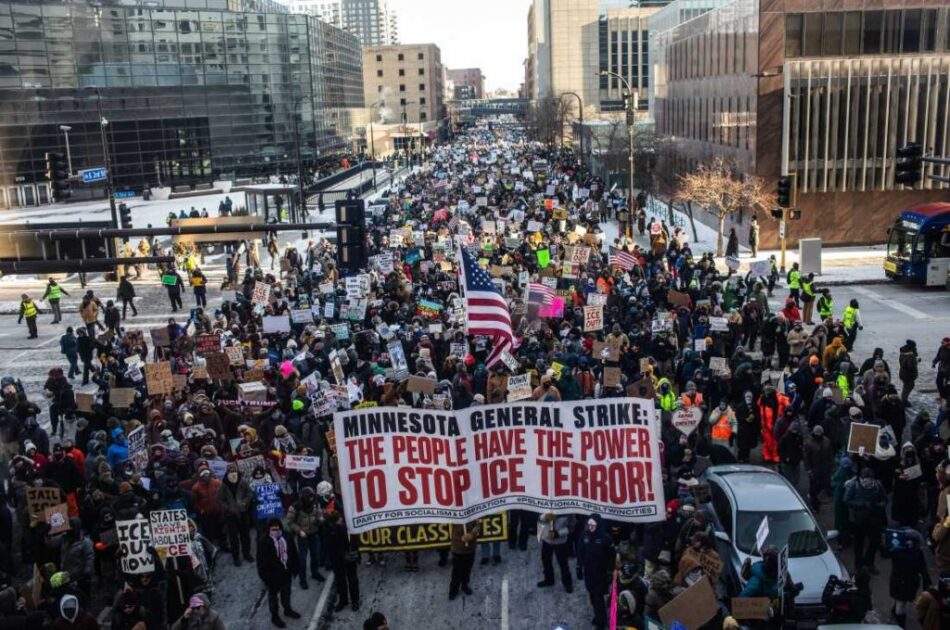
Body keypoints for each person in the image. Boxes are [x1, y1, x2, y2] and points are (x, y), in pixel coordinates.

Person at [256, 518, 302, 628]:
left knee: (286, 594)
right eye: (273, 529)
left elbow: (293, 552)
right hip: (272, 577)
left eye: (278, 528)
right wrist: (265, 579)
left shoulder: (287, 536)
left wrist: (295, 569)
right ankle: (275, 617)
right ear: (268, 529)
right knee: (273, 599)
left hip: (286, 573)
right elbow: (261, 563)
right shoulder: (263, 541)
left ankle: (287, 610)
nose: (276, 531)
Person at [844, 467, 886, 574]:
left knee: (875, 542)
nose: (866, 481)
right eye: (864, 478)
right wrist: (862, 505)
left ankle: (869, 562)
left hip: (873, 518)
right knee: (859, 544)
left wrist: (881, 505)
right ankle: (858, 565)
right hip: (858, 519)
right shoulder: (854, 485)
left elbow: (884, 499)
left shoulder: (878, 486)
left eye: (869, 479)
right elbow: (847, 500)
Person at [285, 486, 326, 589]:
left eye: (313, 496)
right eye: (309, 497)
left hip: (314, 534)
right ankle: (302, 579)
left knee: (315, 556)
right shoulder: (295, 507)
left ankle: (315, 572)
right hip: (302, 536)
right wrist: (299, 531)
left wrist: (320, 519)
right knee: (302, 560)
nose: (311, 499)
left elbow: (319, 516)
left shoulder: (316, 505)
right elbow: (289, 522)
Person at [578, 514, 614, 630]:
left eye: (593, 525)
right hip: (589, 573)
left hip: (601, 574)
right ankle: (598, 616)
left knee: (598, 598)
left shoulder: (606, 539)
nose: (591, 527)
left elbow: (611, 557)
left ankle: (601, 621)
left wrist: (609, 573)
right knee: (592, 596)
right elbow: (580, 552)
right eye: (589, 525)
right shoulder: (584, 536)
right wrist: (579, 567)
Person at [325, 510, 360, 611]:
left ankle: (355, 601)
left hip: (350, 557)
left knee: (352, 580)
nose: (340, 521)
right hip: (337, 559)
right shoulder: (329, 529)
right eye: (338, 520)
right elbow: (328, 544)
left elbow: (355, 540)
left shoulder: (350, 526)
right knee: (340, 581)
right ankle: (343, 600)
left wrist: (357, 554)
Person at [536, 512, 573, 593]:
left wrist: (558, 533)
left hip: (560, 542)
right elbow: (539, 519)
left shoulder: (568, 511)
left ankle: (567, 583)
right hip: (547, 540)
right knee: (546, 561)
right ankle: (549, 579)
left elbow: (571, 527)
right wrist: (545, 517)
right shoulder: (545, 506)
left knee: (563, 563)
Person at [448, 519, 481, 600]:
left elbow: (478, 526)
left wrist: (471, 534)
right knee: (456, 572)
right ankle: (453, 590)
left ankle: (464, 585)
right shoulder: (453, 513)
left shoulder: (474, 514)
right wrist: (461, 538)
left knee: (467, 569)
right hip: (457, 548)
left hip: (470, 548)